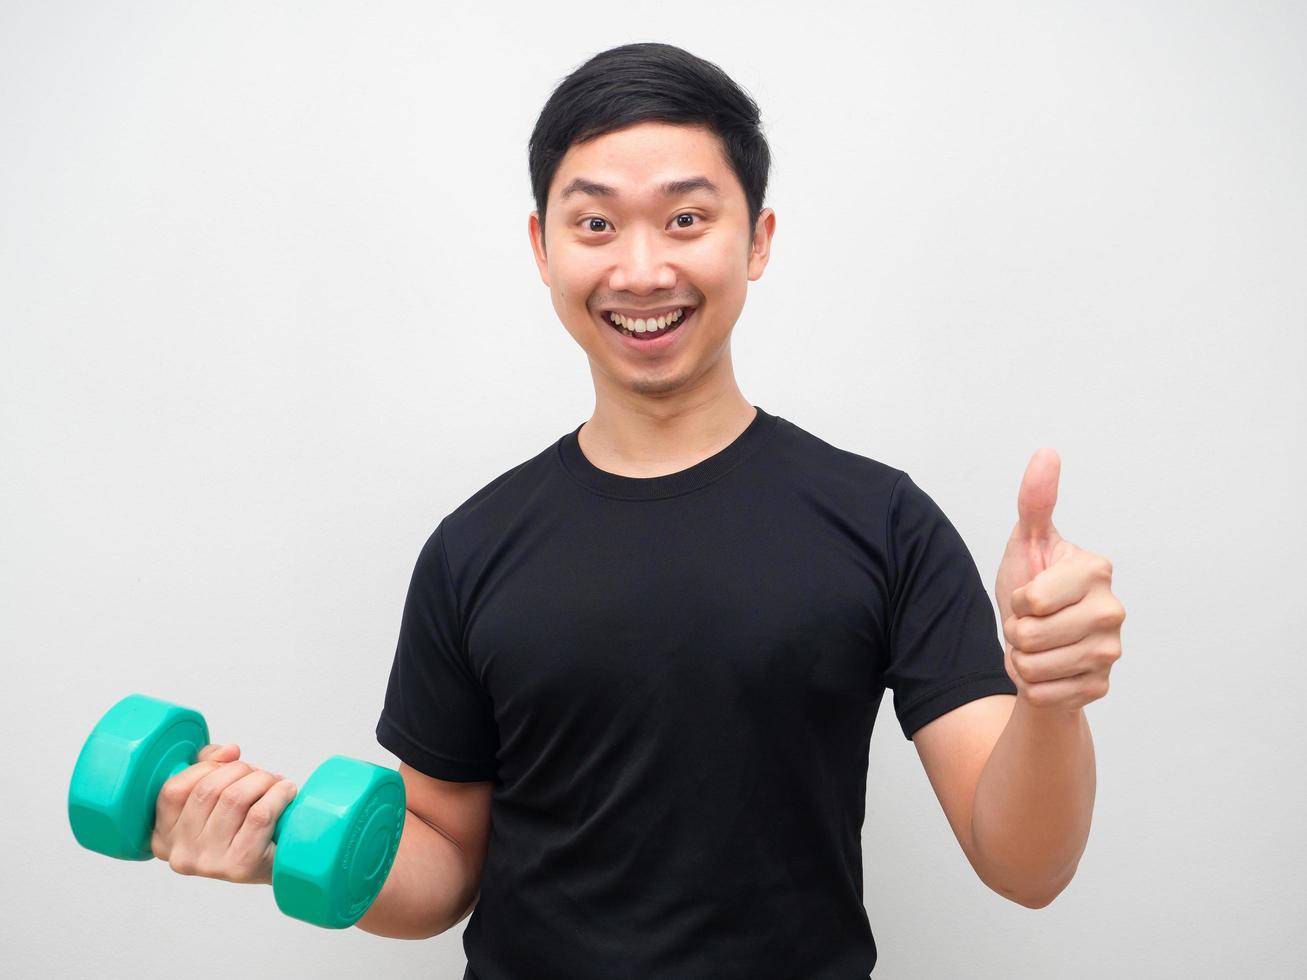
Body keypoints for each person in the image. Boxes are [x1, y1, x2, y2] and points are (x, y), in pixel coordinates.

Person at [151, 41, 1123, 979]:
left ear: (758, 239)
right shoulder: (471, 547)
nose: (642, 268)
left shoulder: (881, 521)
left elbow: (1024, 864)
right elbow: (443, 859)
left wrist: (1050, 697)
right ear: (542, 246)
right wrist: (280, 845)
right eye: (596, 224)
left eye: (686, 220)